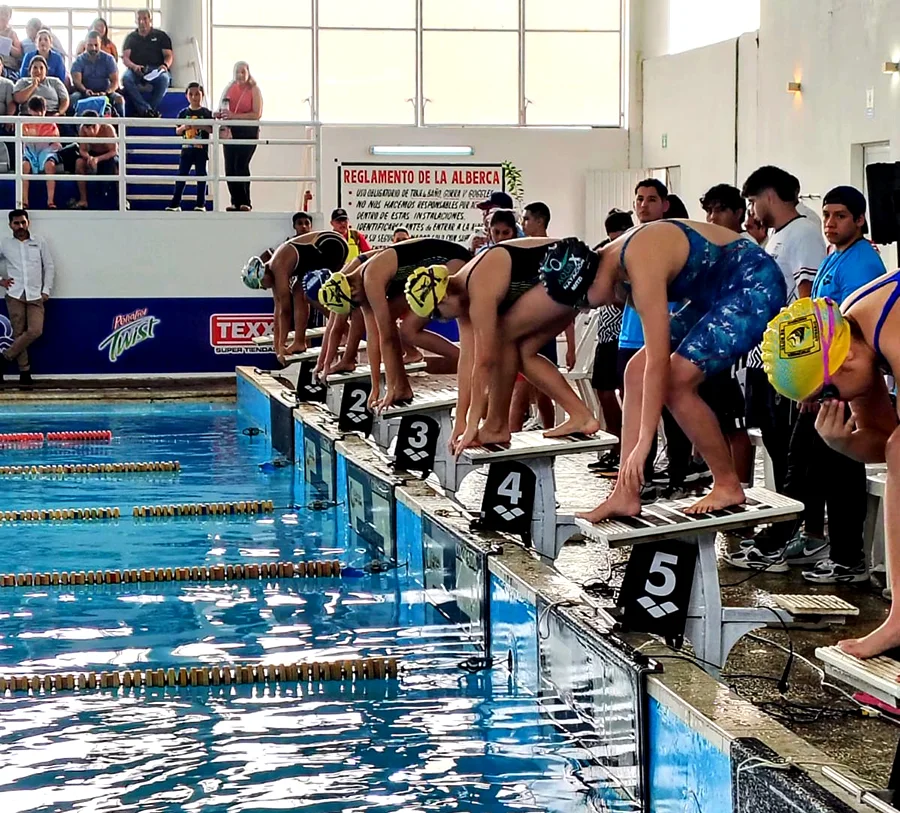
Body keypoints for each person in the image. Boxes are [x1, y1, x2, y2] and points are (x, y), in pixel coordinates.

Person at [465, 218, 786, 519]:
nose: (587, 308)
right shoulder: (613, 270)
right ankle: (625, 492)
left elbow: (658, 362)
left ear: (589, 282)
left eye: (584, 303)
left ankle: (727, 484)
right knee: (634, 371)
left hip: (753, 282)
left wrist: (645, 441)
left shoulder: (639, 262)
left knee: (676, 382)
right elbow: (645, 365)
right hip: (713, 295)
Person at [738, 186, 886, 582]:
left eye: (841, 216)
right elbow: (816, 324)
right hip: (824, 386)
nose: (831, 223)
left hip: (842, 386)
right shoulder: (833, 257)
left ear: (860, 219)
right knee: (805, 466)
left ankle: (844, 557)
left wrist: (824, 384)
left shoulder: (861, 263)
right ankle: (797, 541)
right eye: (827, 215)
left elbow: (850, 336)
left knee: (836, 470)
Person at [761, 289, 900, 659]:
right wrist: (843, 443)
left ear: (846, 359)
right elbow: (884, 441)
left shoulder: (892, 333)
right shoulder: (854, 334)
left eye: (826, 393)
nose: (830, 403)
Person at [731, 165, 827, 566]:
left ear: (769, 195)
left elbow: (807, 304)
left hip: (791, 368)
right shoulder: (778, 236)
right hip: (768, 361)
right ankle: (790, 529)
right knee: (779, 448)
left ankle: (797, 534)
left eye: (754, 202)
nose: (752, 211)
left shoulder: (803, 233)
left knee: (793, 455)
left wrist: (806, 374)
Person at [319, 238, 472, 409]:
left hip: (454, 262)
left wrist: (388, 389)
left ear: (352, 292)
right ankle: (401, 388)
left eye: (354, 305)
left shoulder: (371, 278)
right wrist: (375, 388)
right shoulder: (357, 284)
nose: (358, 308)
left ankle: (464, 360)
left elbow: (386, 338)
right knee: (393, 325)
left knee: (406, 329)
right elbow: (373, 337)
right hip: (429, 266)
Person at [698, 183, 755, 484]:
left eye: (720, 210)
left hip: (739, 350)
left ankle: (741, 487)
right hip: (715, 347)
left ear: (739, 212)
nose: (712, 217)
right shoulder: (718, 249)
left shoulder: (746, 249)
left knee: (736, 425)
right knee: (719, 420)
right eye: (709, 211)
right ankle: (724, 482)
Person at [510, 200, 577, 432]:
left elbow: (566, 302)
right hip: (525, 329)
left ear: (540, 221)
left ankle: (516, 439)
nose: (523, 223)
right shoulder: (521, 251)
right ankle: (542, 432)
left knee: (535, 391)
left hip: (543, 331)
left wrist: (571, 346)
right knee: (531, 392)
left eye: (527, 219)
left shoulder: (555, 252)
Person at [242, 231, 349, 363]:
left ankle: (345, 329)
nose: (264, 288)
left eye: (261, 285)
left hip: (331, 244)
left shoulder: (278, 266)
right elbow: (278, 310)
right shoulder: (272, 271)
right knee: (298, 290)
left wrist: (282, 345)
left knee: (310, 295)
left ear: (263, 276)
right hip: (317, 252)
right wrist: (277, 347)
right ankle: (299, 342)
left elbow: (286, 311)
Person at [588, 208, 634, 476]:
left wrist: (611, 293)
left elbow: (628, 298)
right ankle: (615, 446)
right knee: (603, 391)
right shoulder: (605, 253)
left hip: (625, 335)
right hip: (606, 335)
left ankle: (626, 451)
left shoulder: (635, 255)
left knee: (628, 396)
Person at [0, 209, 54, 386]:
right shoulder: (5, 243)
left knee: (35, 330)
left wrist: (46, 290)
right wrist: (1, 281)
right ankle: (25, 372)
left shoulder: (39, 241)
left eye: (23, 222)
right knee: (18, 333)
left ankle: (4, 358)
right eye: (16, 223)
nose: (20, 226)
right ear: (10, 225)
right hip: (15, 294)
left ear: (28, 223)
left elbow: (49, 266)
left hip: (35, 294)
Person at [218, 61, 263, 212]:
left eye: (243, 72)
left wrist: (235, 116)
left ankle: (245, 201)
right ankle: (235, 201)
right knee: (230, 167)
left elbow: (256, 114)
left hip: (247, 131)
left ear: (248, 73)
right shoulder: (229, 87)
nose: (240, 75)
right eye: (237, 72)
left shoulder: (254, 90)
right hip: (231, 131)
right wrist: (221, 114)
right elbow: (222, 106)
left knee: (241, 165)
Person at [166, 83, 212, 213]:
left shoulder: (206, 113)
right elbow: (177, 131)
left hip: (201, 150)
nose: (194, 97)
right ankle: (175, 204)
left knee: (201, 176)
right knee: (181, 176)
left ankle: (200, 204)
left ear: (202, 95)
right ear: (186, 96)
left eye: (197, 94)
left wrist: (201, 126)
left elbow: (211, 129)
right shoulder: (183, 113)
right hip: (187, 150)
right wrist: (184, 127)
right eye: (191, 94)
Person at [121, 9, 173, 118]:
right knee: (126, 78)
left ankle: (146, 111)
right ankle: (146, 110)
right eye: (139, 19)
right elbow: (125, 58)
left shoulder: (161, 36)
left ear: (150, 20)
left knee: (164, 79)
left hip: (156, 70)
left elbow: (169, 55)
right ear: (136, 21)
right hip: (136, 69)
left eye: (145, 19)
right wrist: (134, 67)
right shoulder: (131, 38)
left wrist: (165, 66)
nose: (142, 22)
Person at [70, 32, 123, 118]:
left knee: (119, 99)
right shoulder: (79, 61)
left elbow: (115, 82)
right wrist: (85, 90)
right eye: (90, 45)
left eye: (96, 45)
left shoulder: (109, 59)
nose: (93, 48)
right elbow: (77, 82)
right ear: (85, 45)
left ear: (100, 44)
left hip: (106, 93)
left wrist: (107, 92)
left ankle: (121, 126)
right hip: (84, 93)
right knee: (73, 98)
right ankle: (70, 126)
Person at [20, 96, 59, 209]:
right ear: (29, 110)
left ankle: (50, 201)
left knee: (50, 166)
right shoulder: (25, 124)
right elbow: (23, 141)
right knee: (24, 166)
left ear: (45, 110)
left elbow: (56, 143)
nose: (39, 114)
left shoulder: (51, 124)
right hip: (30, 152)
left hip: (47, 151)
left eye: (41, 111)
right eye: (35, 111)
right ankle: (24, 201)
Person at [73, 111, 118, 209]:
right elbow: (82, 150)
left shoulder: (108, 128)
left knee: (118, 166)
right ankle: (83, 200)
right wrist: (89, 157)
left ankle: (121, 199)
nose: (90, 131)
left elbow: (114, 151)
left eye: (93, 127)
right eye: (87, 128)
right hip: (92, 154)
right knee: (79, 163)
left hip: (108, 155)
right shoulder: (82, 129)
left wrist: (98, 159)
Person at [0, 6, 23, 80]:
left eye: (6, 15)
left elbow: (19, 53)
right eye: (1, 13)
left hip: (8, 66)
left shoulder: (12, 33)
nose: (3, 17)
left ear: (9, 18)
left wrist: (8, 45)